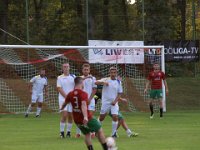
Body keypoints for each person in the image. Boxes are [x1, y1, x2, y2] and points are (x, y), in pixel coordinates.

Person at [61, 77, 109, 150]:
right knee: (99, 130)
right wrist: (85, 117)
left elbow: (65, 103)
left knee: (87, 134)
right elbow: (83, 104)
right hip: (87, 118)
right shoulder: (83, 93)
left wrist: (61, 108)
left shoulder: (70, 94)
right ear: (81, 83)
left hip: (77, 120)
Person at [95, 67, 123, 138]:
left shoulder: (118, 82)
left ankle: (114, 133)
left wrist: (115, 101)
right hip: (105, 102)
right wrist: (103, 82)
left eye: (114, 72)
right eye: (112, 72)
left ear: (116, 73)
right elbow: (96, 82)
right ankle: (97, 131)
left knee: (115, 116)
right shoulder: (106, 79)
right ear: (109, 73)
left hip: (114, 102)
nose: (113, 74)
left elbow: (120, 93)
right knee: (101, 117)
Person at [76, 63, 97, 138]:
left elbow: (94, 90)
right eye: (84, 70)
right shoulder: (79, 78)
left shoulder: (93, 78)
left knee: (90, 116)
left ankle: (92, 132)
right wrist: (87, 77)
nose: (86, 71)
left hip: (90, 100)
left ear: (89, 70)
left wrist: (90, 99)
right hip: (81, 101)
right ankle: (78, 133)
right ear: (82, 70)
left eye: (87, 70)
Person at [57, 63, 75, 138]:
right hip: (63, 99)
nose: (66, 68)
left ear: (69, 68)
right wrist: (67, 97)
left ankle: (68, 132)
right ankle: (61, 132)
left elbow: (78, 84)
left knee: (71, 116)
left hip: (72, 99)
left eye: (67, 66)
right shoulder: (60, 77)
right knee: (64, 115)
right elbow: (59, 88)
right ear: (62, 68)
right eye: (64, 67)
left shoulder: (73, 77)